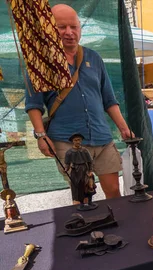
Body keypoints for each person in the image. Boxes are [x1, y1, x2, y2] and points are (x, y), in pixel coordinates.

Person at [25, 4, 133, 199]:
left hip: (102, 136)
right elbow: (33, 104)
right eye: (61, 27)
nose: (69, 32)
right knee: (83, 194)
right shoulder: (39, 61)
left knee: (114, 191)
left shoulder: (94, 57)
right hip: (67, 139)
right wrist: (41, 136)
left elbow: (108, 99)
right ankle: (87, 228)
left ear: (80, 29)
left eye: (73, 27)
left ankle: (116, 228)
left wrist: (124, 128)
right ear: (49, 27)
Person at [64, 133, 93, 205]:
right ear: (73, 141)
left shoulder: (85, 151)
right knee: (76, 186)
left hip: (84, 169)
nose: (77, 142)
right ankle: (78, 201)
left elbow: (90, 161)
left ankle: (87, 201)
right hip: (75, 171)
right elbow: (67, 163)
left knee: (87, 185)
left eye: (79, 140)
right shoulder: (69, 152)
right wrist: (66, 169)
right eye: (75, 140)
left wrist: (90, 170)